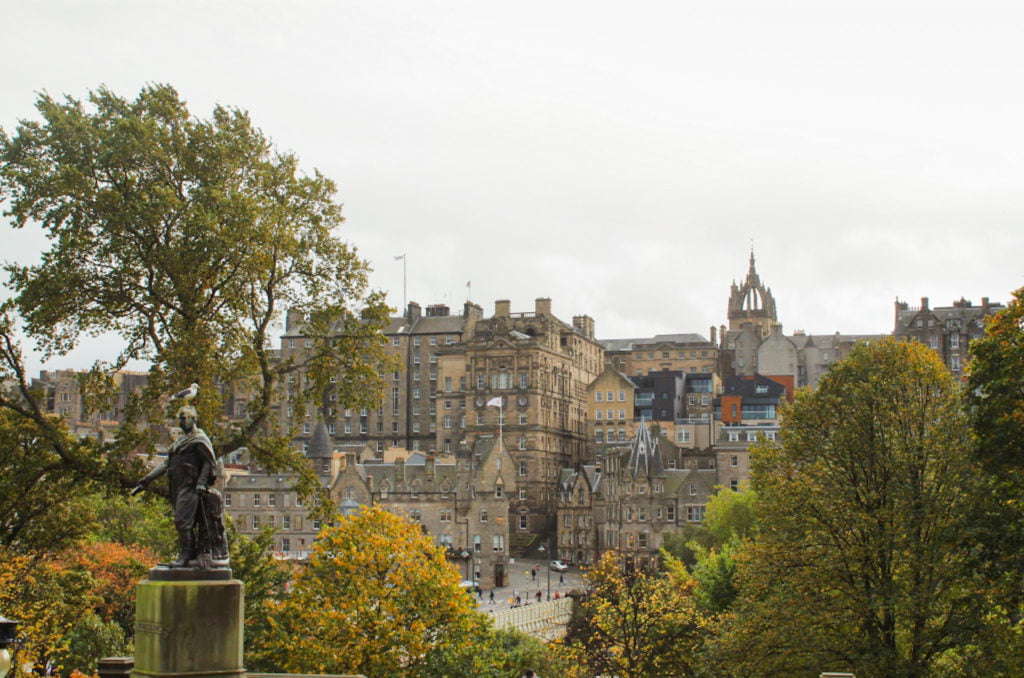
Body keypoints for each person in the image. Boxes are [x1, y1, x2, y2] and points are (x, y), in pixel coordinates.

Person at [133, 405, 228, 568]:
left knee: (182, 522)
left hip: (191, 486)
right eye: (180, 419)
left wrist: (201, 483)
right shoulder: (180, 440)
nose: (181, 421)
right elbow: (166, 464)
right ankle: (188, 555)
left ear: (193, 419)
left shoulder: (199, 438)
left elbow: (209, 462)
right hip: (177, 485)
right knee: (184, 522)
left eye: (184, 418)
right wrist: (147, 480)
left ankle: (184, 557)